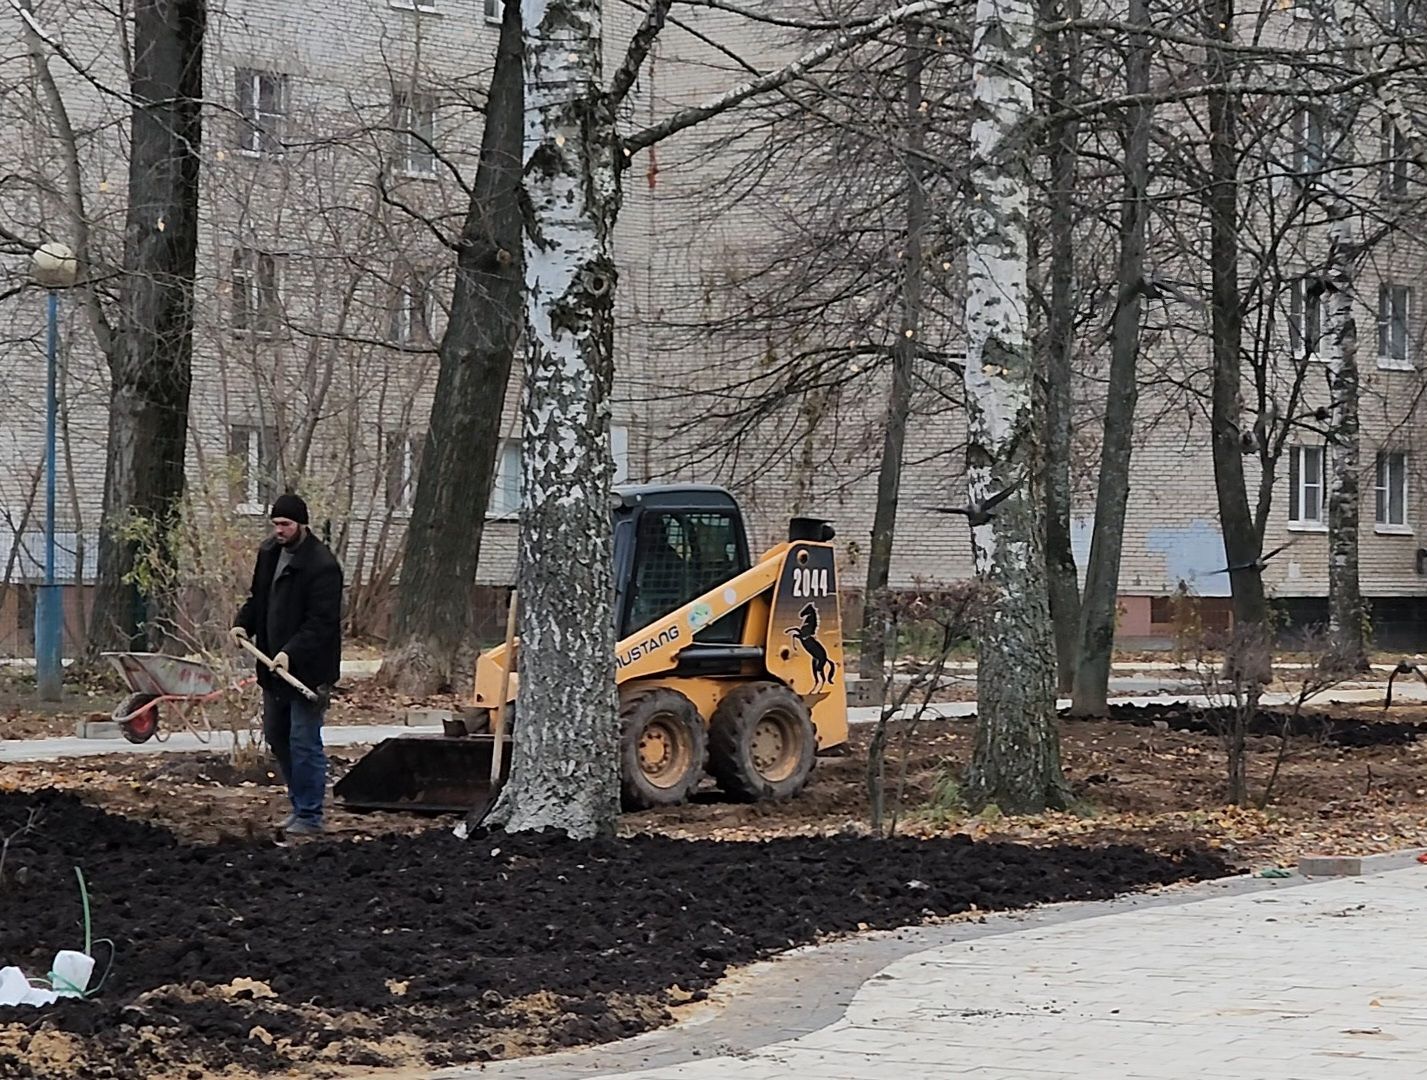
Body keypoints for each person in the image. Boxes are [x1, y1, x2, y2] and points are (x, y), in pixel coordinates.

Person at [230, 494, 343, 835]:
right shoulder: (269, 554)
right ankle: (299, 805)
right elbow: (258, 599)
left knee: (303, 740)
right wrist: (242, 623)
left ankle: (310, 815)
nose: (279, 531)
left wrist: (291, 652)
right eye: (276, 524)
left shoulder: (322, 566)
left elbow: (321, 623)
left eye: (286, 525)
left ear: (301, 525)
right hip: (273, 669)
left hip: (308, 673)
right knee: (276, 735)